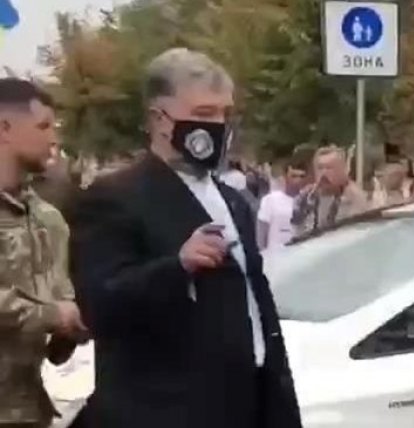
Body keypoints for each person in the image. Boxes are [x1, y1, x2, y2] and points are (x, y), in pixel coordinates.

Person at [70, 48, 302, 428]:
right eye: (204, 114)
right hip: (167, 411)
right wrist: (177, 267)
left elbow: (254, 303)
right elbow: (101, 305)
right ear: (159, 119)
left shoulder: (232, 199)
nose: (219, 126)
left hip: (247, 403)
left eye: (225, 114)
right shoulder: (115, 197)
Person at [0, 78, 87, 428]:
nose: (53, 138)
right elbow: (49, 312)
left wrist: (75, 327)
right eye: (43, 126)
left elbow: (56, 345)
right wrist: (52, 315)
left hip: (27, 412)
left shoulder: (48, 219)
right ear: (5, 128)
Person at [291, 145, 367, 236]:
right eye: (320, 168)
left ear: (343, 170)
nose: (324, 173)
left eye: (329, 168)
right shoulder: (305, 198)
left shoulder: (355, 198)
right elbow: (296, 232)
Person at [257, 161, 306, 251]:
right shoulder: (270, 200)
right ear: (285, 177)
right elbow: (261, 232)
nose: (298, 180)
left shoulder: (307, 200)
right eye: (294, 176)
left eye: (302, 176)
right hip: (275, 254)